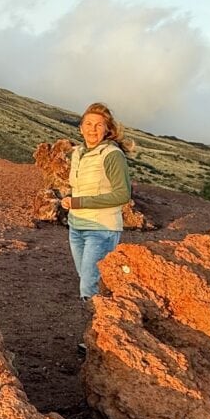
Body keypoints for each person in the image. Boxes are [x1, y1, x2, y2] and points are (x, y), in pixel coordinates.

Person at [59, 102, 134, 300]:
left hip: (101, 229)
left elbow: (122, 195)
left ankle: (103, 326)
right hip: (76, 227)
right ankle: (101, 323)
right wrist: (70, 202)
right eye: (89, 124)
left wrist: (79, 202)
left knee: (89, 286)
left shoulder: (112, 155)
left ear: (107, 130)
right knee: (87, 278)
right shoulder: (78, 153)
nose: (93, 129)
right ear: (80, 128)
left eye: (99, 125)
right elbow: (80, 188)